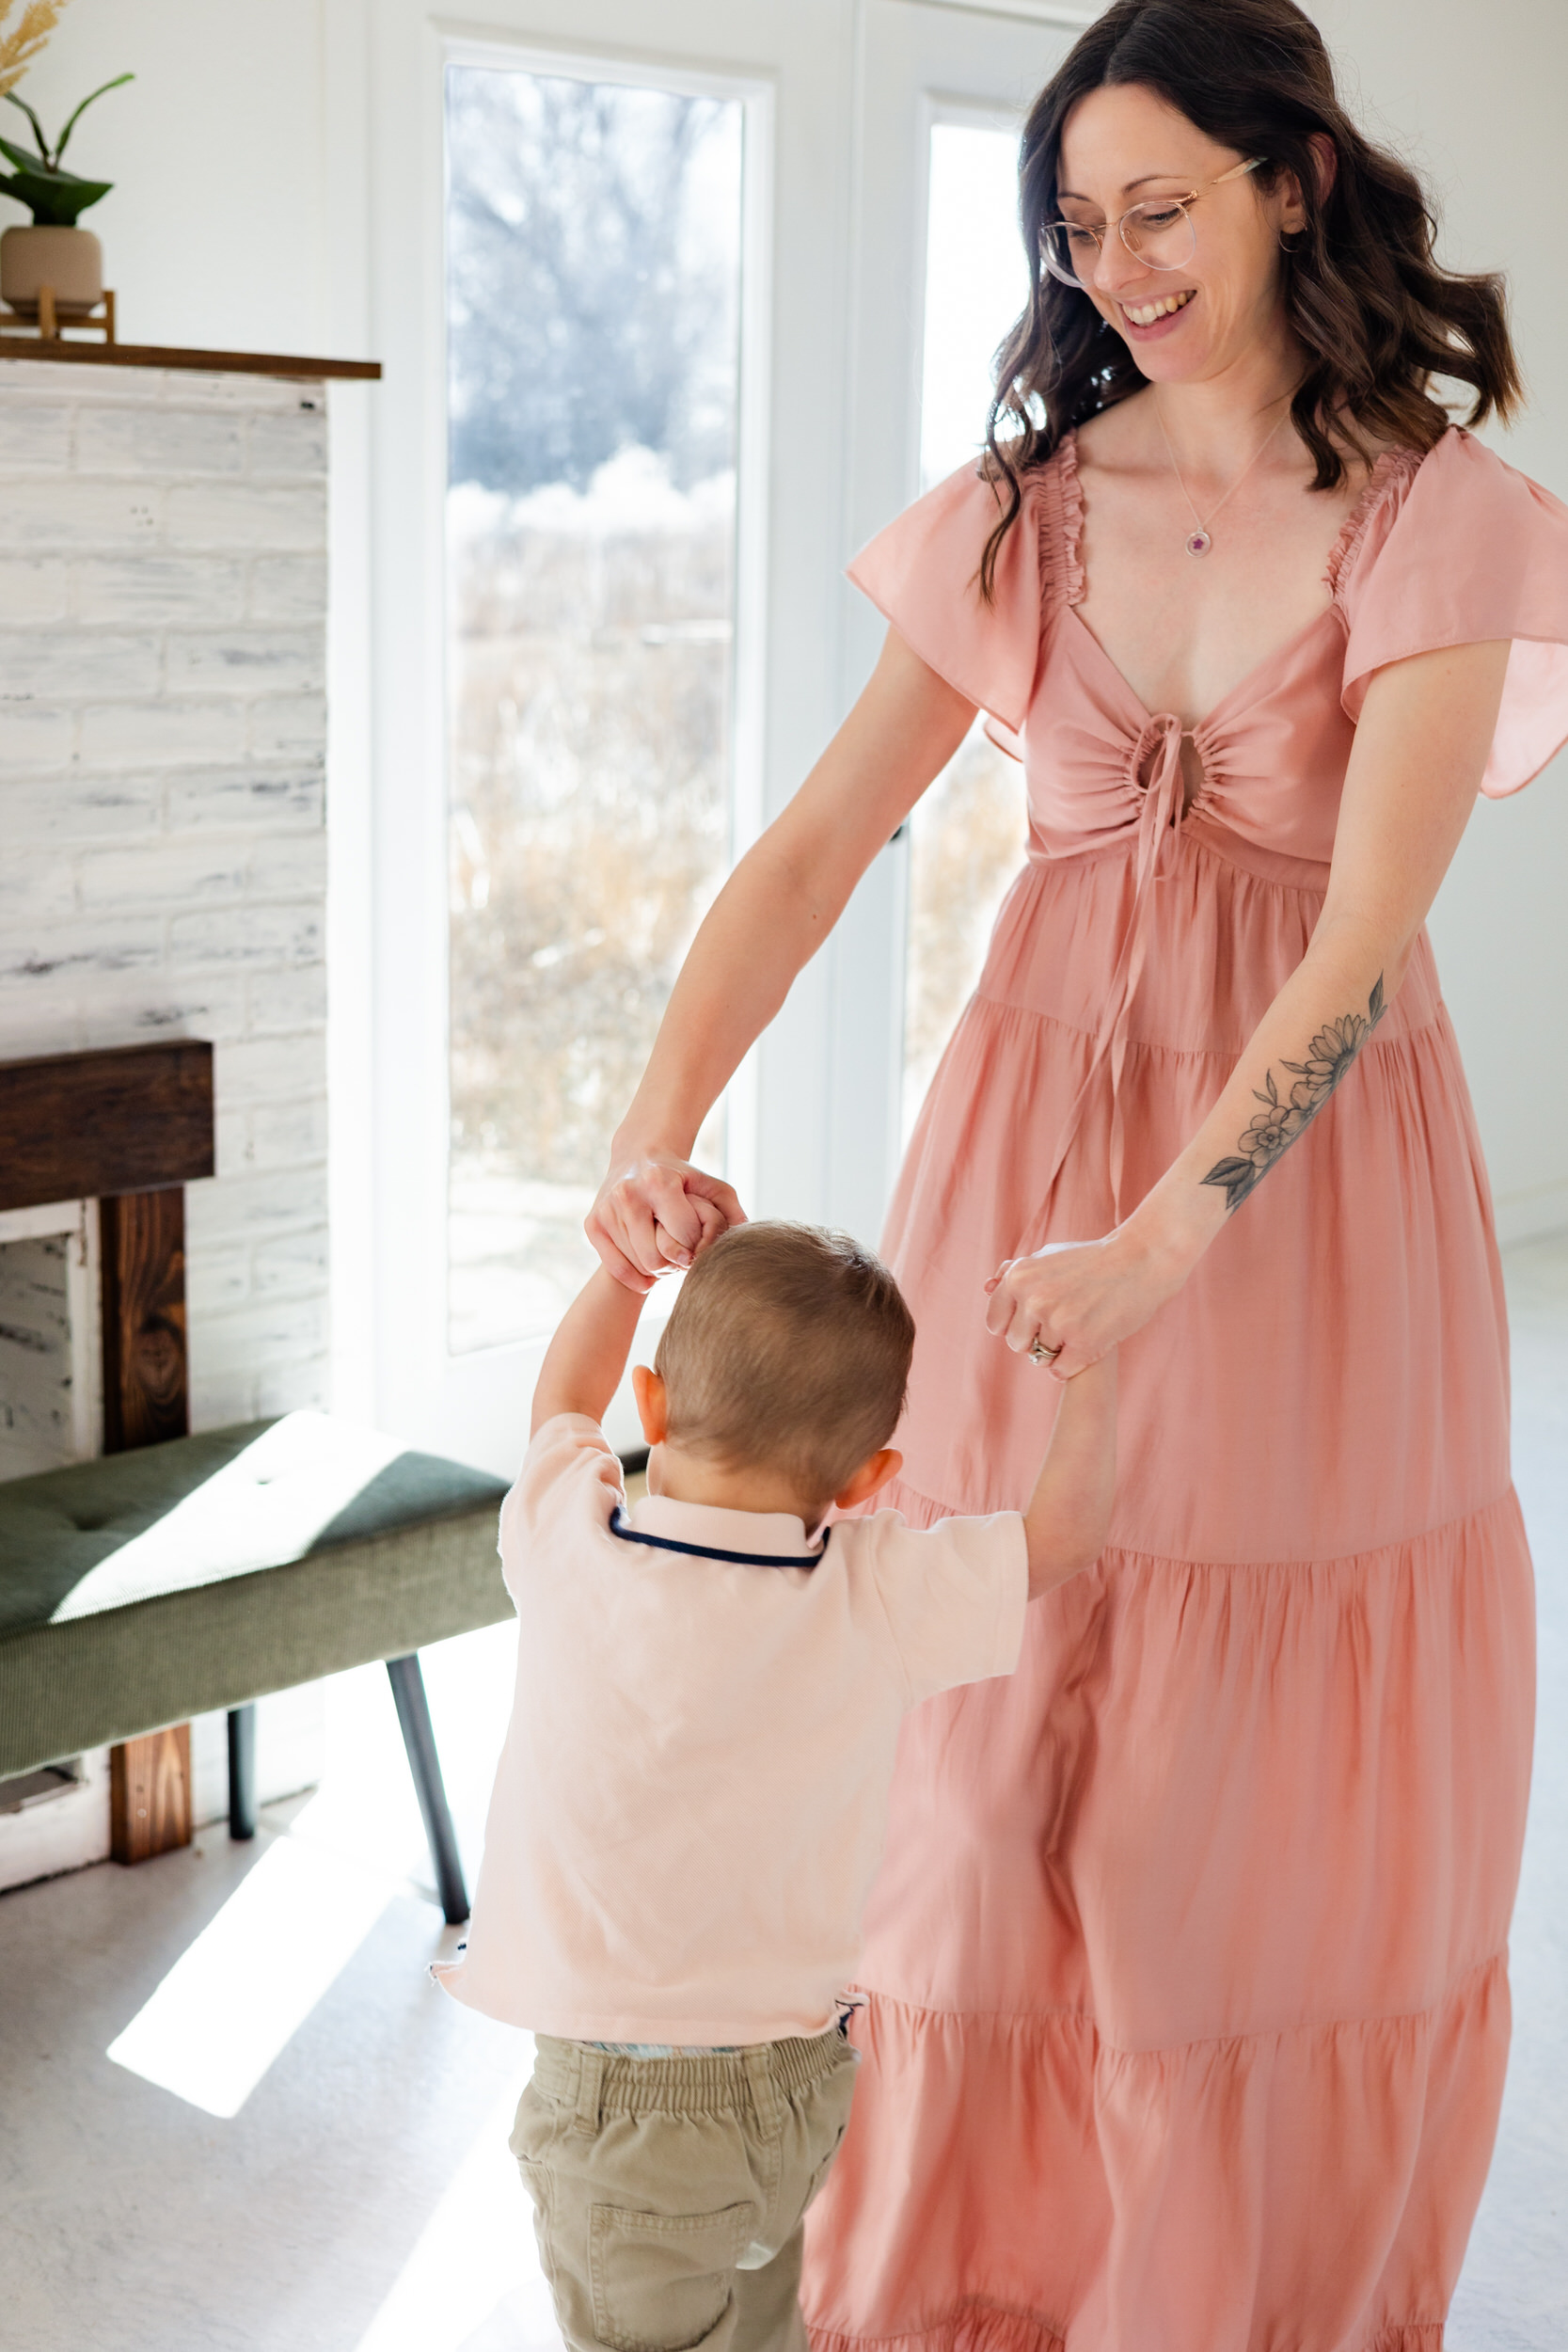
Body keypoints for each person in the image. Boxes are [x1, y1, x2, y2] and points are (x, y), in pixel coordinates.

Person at [584, 2, 1568, 2343]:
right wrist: (653, 1122)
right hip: (1024, 1170)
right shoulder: (1032, 507)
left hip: (1299, 1208)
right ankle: (950, 2294)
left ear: (1294, 179)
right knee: (979, 1754)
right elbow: (822, 840)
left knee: (1236, 1830)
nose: (1113, 262)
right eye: (1077, 222)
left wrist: (1169, 1237)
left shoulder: (1444, 513)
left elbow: (1355, 941)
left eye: (1163, 207)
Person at [437, 1221, 1117, 2352]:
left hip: (621, 2120)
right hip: (794, 2094)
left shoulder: (570, 1540)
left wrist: (623, 1269)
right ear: (866, 1480)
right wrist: (1086, 1367)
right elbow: (1059, 1538)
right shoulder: (871, 1590)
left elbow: (560, 1402)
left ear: (650, 1409)